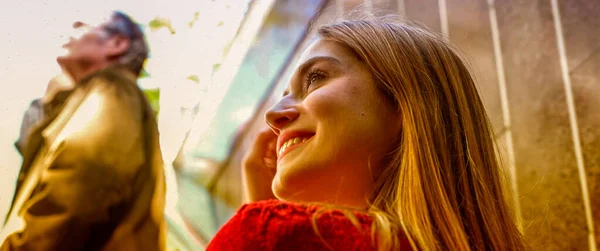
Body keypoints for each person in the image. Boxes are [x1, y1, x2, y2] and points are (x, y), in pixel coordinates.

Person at [207, 16, 526, 250]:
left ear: (405, 101)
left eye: (316, 78)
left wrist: (263, 226)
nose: (274, 116)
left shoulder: (270, 235)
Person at [1, 11, 166, 251]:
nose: (72, 27)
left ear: (117, 44)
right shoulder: (102, 95)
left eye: (82, 25)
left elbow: (81, 190)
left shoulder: (112, 94)